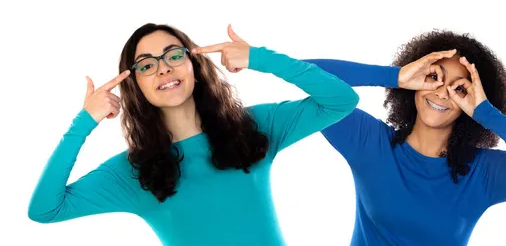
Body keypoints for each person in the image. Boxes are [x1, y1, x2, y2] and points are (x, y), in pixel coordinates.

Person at [28, 23, 360, 246]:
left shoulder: (253, 127)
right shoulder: (133, 172)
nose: (163, 68)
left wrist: (260, 58)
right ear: (135, 86)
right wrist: (85, 121)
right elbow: (44, 209)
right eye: (146, 65)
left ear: (194, 67)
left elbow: (342, 100)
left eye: (174, 55)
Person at [304, 29, 506, 246]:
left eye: (459, 88)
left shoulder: (482, 172)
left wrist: (487, 115)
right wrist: (395, 76)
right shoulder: (369, 141)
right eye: (434, 77)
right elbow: (304, 74)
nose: (442, 92)